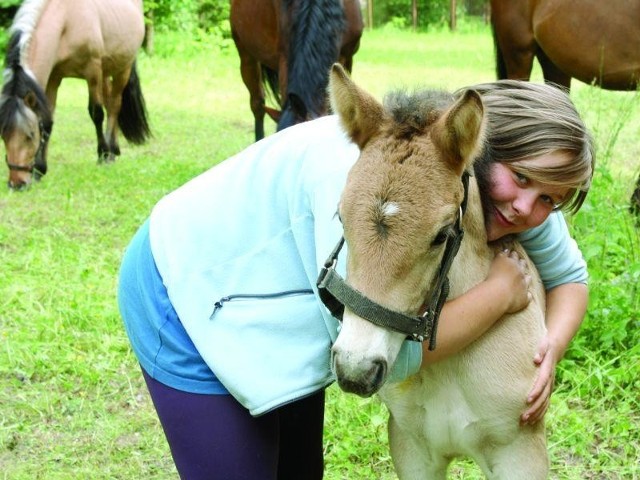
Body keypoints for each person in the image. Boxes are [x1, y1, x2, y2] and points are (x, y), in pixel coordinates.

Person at [117, 79, 594, 479]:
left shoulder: (497, 188)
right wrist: (499, 293)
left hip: (280, 307)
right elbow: (388, 353)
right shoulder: (358, 188)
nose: (526, 208)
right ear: (486, 152)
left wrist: (548, 346)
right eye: (522, 180)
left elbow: (569, 274)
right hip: (185, 292)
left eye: (548, 198)